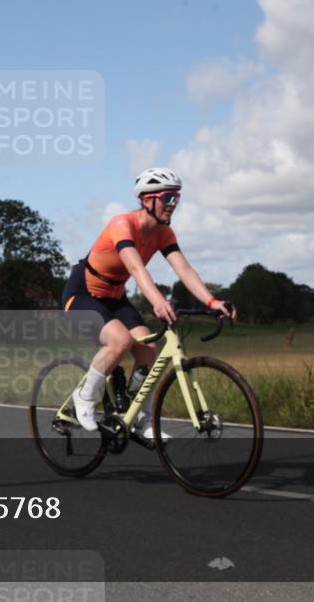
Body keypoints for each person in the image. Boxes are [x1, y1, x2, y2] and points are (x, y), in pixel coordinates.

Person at [61, 167, 234, 440]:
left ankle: (139, 417)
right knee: (119, 341)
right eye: (167, 198)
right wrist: (157, 302)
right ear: (146, 199)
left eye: (177, 198)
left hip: (116, 297)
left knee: (149, 347)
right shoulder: (122, 224)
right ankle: (83, 396)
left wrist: (213, 301)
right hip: (82, 295)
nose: (173, 204)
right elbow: (136, 267)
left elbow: (184, 270)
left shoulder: (164, 233)